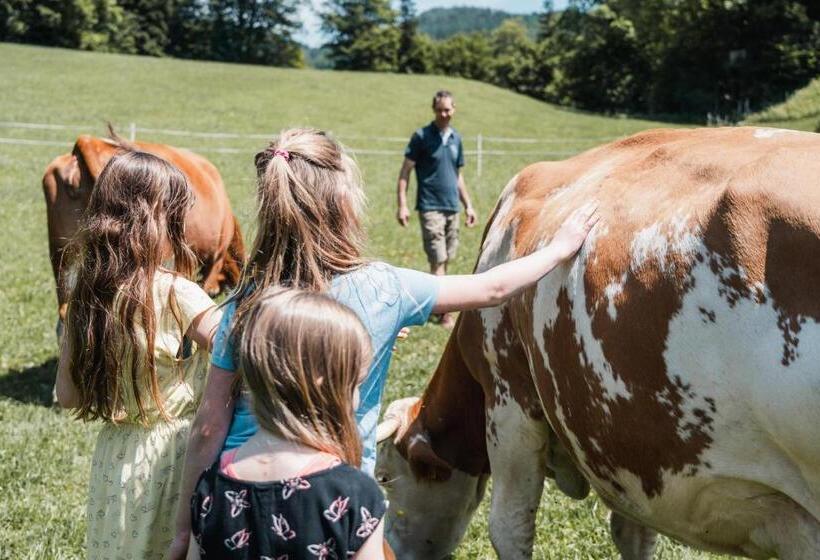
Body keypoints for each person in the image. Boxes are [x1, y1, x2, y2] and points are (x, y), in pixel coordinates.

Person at [168, 128, 598, 559]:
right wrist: (558, 249)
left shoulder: (245, 302)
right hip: (325, 496)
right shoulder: (384, 289)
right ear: (344, 205)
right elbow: (491, 289)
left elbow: (209, 425)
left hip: (235, 491)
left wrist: (184, 531)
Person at [55, 151, 222, 559]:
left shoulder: (84, 291)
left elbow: (68, 396)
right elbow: (237, 350)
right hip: (173, 459)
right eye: (174, 219)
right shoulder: (177, 292)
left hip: (115, 459)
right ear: (151, 222)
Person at [187, 288, 387, 559]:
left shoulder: (210, 487)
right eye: (355, 382)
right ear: (322, 384)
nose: (358, 395)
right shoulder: (354, 495)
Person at [396, 90, 477, 328]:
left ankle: (436, 303)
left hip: (452, 207)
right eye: (440, 110)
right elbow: (405, 173)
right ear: (434, 110)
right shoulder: (421, 137)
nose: (444, 114)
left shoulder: (456, 139)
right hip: (430, 205)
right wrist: (402, 204)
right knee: (438, 260)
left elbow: (457, 176)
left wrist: (468, 205)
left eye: (448, 110)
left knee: (447, 257)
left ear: (454, 109)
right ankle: (444, 313)